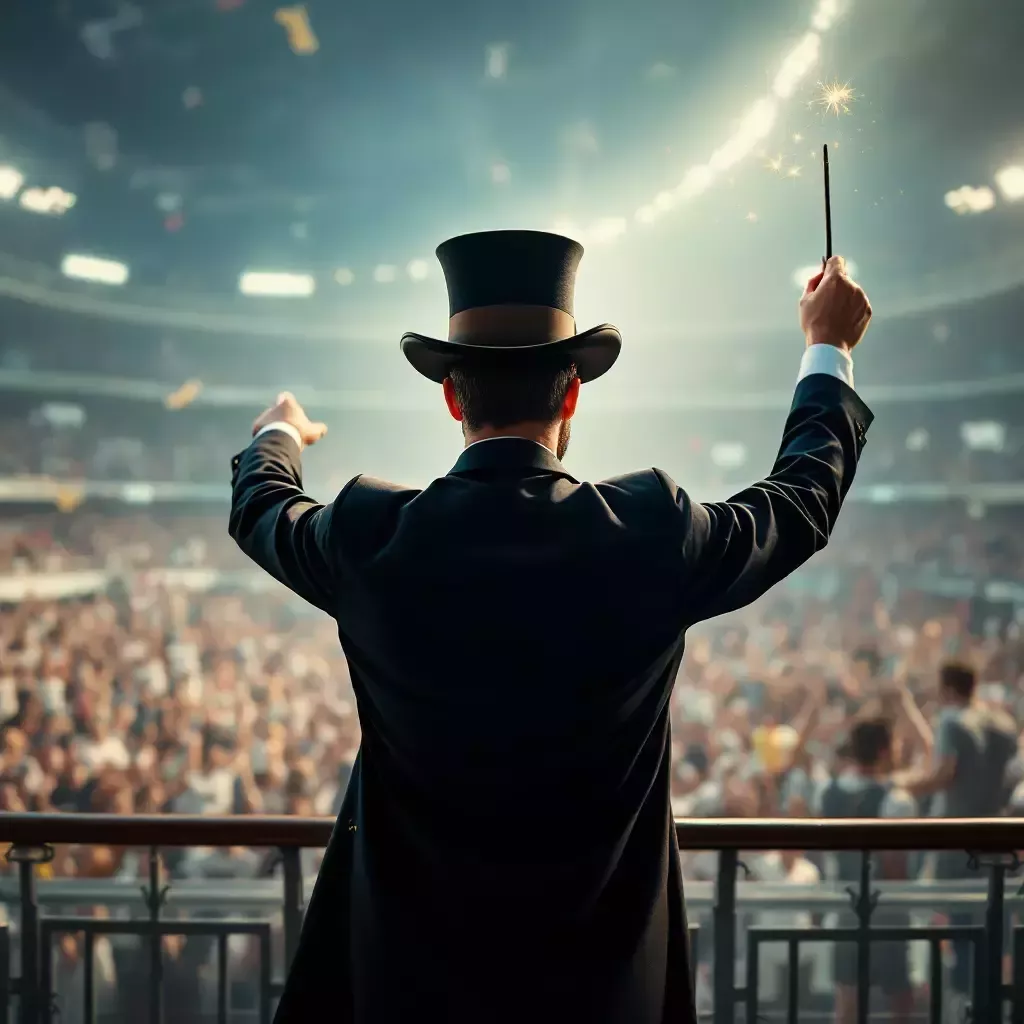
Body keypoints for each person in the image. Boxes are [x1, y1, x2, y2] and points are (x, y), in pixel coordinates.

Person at [228, 230, 874, 1024]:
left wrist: (280, 434)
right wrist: (827, 347)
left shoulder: (371, 533)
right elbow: (799, 502)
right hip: (598, 991)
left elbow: (262, 507)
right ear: (571, 394)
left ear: (451, 396)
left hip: (411, 987)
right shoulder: (649, 529)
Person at [894, 660, 1018, 1003]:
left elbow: (943, 773)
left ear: (947, 688)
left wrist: (900, 786)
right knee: (994, 931)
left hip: (957, 843)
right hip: (998, 838)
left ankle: (966, 1006)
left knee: (961, 931)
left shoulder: (951, 720)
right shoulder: (1003, 724)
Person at [821, 712, 917, 1024]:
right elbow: (895, 867)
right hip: (887, 910)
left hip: (844, 905)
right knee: (899, 996)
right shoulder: (896, 800)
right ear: (885, 751)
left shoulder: (828, 792)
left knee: (847, 995)